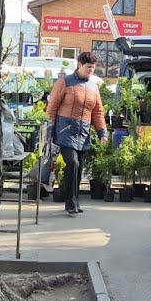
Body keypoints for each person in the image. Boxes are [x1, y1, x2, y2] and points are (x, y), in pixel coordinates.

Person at [46, 51, 107, 216]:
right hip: (65, 131)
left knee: (79, 169)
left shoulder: (93, 87)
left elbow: (98, 112)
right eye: (88, 67)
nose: (91, 71)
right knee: (73, 163)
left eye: (93, 68)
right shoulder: (64, 82)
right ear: (79, 64)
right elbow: (52, 108)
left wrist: (102, 133)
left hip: (84, 132)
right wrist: (48, 131)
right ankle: (70, 201)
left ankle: (74, 199)